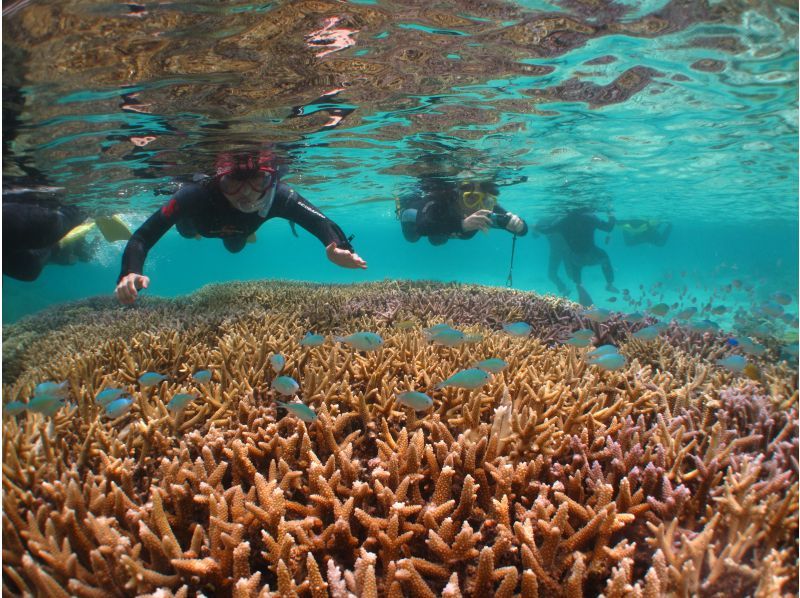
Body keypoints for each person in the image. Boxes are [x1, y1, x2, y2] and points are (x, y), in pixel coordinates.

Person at [115, 151, 367, 304]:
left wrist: (338, 248)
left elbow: (321, 222)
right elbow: (142, 237)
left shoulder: (280, 196)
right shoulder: (195, 196)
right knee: (188, 231)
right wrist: (130, 271)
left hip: (240, 230)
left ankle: (243, 235)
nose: (246, 194)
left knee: (236, 246)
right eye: (234, 183)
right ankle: (206, 232)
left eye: (258, 181)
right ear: (218, 180)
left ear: (271, 180)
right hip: (200, 224)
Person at [3, 193, 131, 281]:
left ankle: (90, 215)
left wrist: (85, 209)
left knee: (83, 255)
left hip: (50, 236)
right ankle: (89, 221)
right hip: (50, 246)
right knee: (30, 268)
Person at [397, 176, 527, 245]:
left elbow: (521, 230)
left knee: (437, 242)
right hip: (416, 214)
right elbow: (423, 226)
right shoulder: (441, 200)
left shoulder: (485, 208)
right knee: (412, 238)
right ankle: (401, 209)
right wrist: (463, 225)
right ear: (458, 196)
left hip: (442, 229)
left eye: (486, 200)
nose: (478, 207)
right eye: (470, 198)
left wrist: (518, 225)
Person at [534, 208, 617, 306]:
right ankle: (609, 284)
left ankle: (579, 285)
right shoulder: (590, 218)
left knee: (573, 266)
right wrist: (611, 215)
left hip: (575, 257)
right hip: (590, 253)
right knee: (604, 258)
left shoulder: (562, 222)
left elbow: (546, 231)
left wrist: (536, 226)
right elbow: (609, 227)